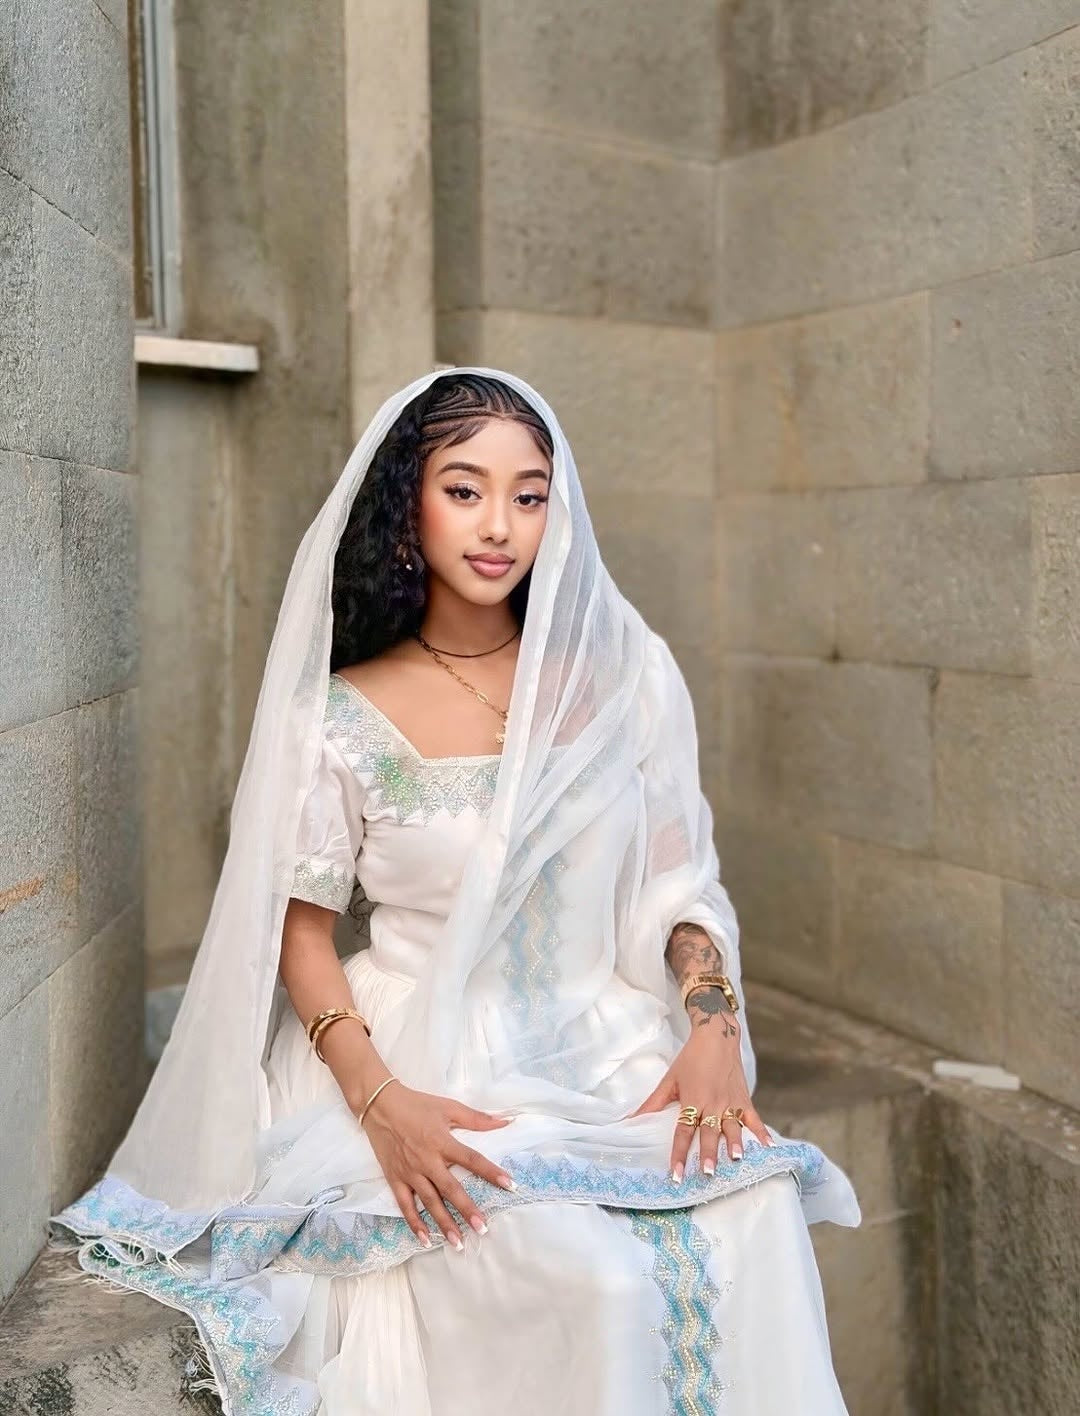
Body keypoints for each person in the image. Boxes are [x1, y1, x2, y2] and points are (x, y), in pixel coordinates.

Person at [50, 367, 861, 1415]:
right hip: (429, 1058)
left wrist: (712, 1023)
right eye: (465, 489)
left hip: (608, 1046)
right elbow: (299, 939)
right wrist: (381, 1104)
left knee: (759, 1221)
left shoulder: (626, 678)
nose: (499, 525)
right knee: (598, 1281)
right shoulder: (338, 718)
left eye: (530, 496)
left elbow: (677, 879)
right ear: (409, 506)